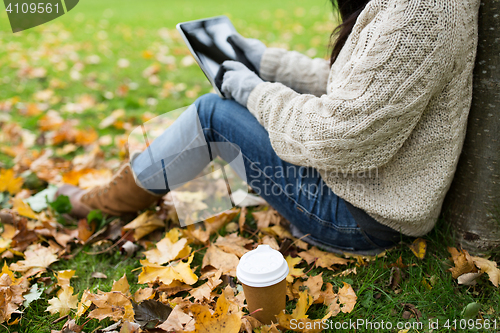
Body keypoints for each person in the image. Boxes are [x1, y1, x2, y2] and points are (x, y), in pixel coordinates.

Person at [57, 0, 480, 255]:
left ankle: (105, 203)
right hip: (370, 196)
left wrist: (251, 90)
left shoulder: (422, 12)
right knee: (221, 106)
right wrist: (263, 60)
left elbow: (340, 135)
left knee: (212, 113)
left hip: (363, 217)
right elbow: (359, 90)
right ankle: (118, 191)